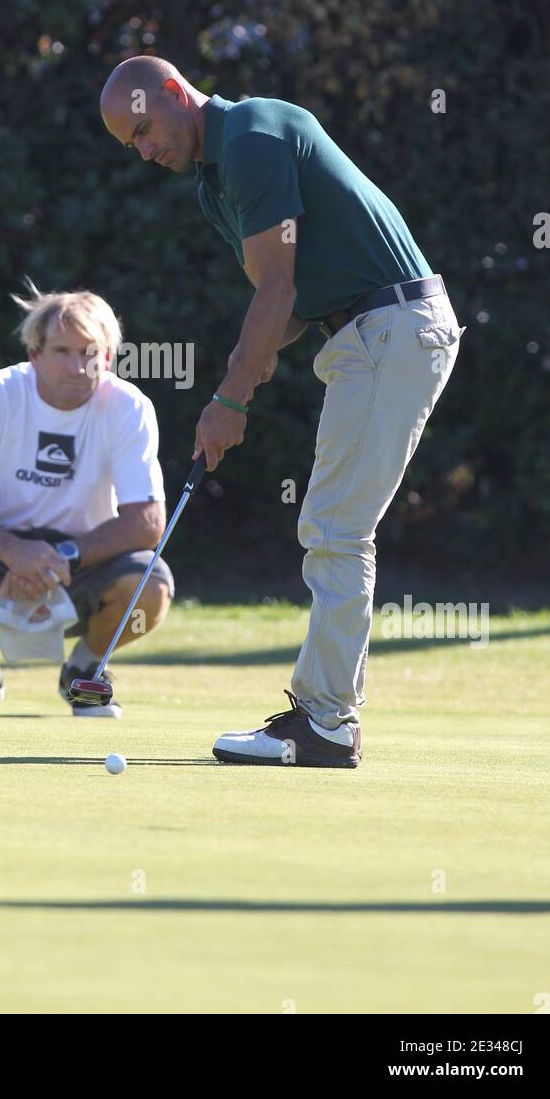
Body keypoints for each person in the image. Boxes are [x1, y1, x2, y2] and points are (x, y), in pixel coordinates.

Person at [100, 55, 464, 767]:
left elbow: (276, 291)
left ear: (176, 93)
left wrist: (230, 398)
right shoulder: (215, 179)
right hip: (369, 334)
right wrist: (244, 379)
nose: (144, 151)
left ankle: (324, 724)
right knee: (334, 525)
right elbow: (285, 307)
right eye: (131, 145)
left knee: (335, 527)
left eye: (144, 129)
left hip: (391, 328)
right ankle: (328, 718)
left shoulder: (254, 138)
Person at [0, 281, 173, 717]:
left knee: (153, 586)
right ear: (35, 354)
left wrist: (58, 556)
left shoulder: (128, 406)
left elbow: (148, 522)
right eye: (62, 351)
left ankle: (84, 671)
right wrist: (13, 551)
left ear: (109, 358)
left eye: (90, 352)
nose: (77, 366)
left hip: (79, 565)